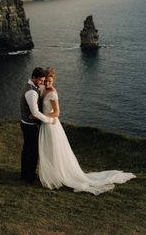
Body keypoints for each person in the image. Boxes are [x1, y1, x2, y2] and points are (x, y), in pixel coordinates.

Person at [38, 67, 136, 195]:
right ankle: (51, 175)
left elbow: (57, 112)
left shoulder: (52, 93)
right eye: (46, 81)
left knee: (54, 151)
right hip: (46, 125)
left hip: (51, 127)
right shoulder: (43, 89)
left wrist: (41, 115)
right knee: (48, 150)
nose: (47, 83)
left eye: (50, 81)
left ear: (53, 81)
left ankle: (57, 176)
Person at [20, 67, 56, 183]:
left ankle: (25, 174)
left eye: (43, 80)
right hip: (30, 126)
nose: (42, 83)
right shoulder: (31, 92)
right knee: (33, 151)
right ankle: (30, 176)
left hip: (26, 123)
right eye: (40, 80)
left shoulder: (31, 86)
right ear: (34, 77)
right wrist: (50, 120)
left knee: (26, 150)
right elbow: (35, 112)